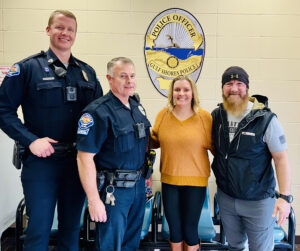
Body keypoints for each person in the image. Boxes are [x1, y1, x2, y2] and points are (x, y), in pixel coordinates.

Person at [0, 10, 102, 251]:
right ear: (48, 30)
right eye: (59, 27)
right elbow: (3, 110)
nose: (65, 33)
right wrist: (31, 140)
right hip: (41, 162)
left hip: (76, 163)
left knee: (70, 230)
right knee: (39, 229)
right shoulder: (26, 69)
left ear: (75, 35)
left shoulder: (87, 72)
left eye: (70, 29)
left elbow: (100, 117)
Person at [211, 66, 292, 251]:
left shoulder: (266, 119)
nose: (234, 88)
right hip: (227, 198)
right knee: (235, 246)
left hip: (258, 201)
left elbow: (281, 159)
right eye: (228, 83)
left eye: (239, 83)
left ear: (247, 88)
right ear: (222, 88)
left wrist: (285, 198)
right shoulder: (217, 116)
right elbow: (218, 150)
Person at [76, 57, 151, 251]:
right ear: (109, 79)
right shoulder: (97, 112)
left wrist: (146, 176)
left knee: (131, 244)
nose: (129, 81)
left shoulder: (136, 107)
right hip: (114, 192)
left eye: (132, 76)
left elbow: (140, 143)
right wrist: (93, 200)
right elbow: (84, 158)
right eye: (123, 76)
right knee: (110, 245)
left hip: (138, 188)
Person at [151, 75, 213, 251]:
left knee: (190, 230)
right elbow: (153, 141)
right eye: (177, 90)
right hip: (170, 181)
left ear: (193, 93)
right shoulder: (163, 115)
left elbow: (216, 147)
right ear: (172, 93)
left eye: (186, 89)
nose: (181, 93)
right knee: (174, 231)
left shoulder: (205, 118)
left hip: (196, 183)